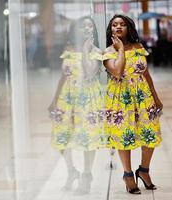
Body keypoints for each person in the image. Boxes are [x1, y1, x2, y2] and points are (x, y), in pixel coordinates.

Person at [102, 14, 163, 194]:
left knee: (150, 133)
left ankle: (144, 170)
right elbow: (118, 71)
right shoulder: (107, 52)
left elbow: (146, 74)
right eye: (114, 25)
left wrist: (156, 98)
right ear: (111, 29)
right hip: (121, 99)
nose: (118, 27)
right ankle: (128, 175)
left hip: (143, 96)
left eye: (122, 24)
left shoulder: (138, 47)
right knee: (125, 136)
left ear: (129, 28)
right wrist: (120, 49)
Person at [49, 16, 107, 194]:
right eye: (83, 26)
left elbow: (90, 73)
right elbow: (63, 76)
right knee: (61, 137)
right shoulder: (68, 50)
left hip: (87, 98)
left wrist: (85, 49)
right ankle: (72, 171)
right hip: (67, 98)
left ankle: (87, 175)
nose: (87, 29)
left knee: (87, 138)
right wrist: (54, 100)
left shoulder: (95, 50)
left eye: (90, 26)